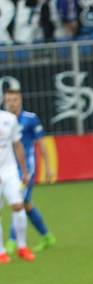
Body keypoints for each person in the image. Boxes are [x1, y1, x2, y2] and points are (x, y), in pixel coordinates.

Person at [3, 88, 57, 255]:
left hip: (27, 167)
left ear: (21, 101)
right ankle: (46, 236)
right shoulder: (4, 120)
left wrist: (48, 168)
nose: (12, 103)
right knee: (26, 204)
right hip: (8, 167)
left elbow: (42, 143)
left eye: (15, 100)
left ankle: (13, 241)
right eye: (8, 100)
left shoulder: (30, 119)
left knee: (19, 202)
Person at [0, 107, 35, 263]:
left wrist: (24, 171)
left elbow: (17, 144)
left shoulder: (9, 118)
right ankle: (1, 252)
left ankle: (22, 247)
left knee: (18, 206)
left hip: (10, 171)